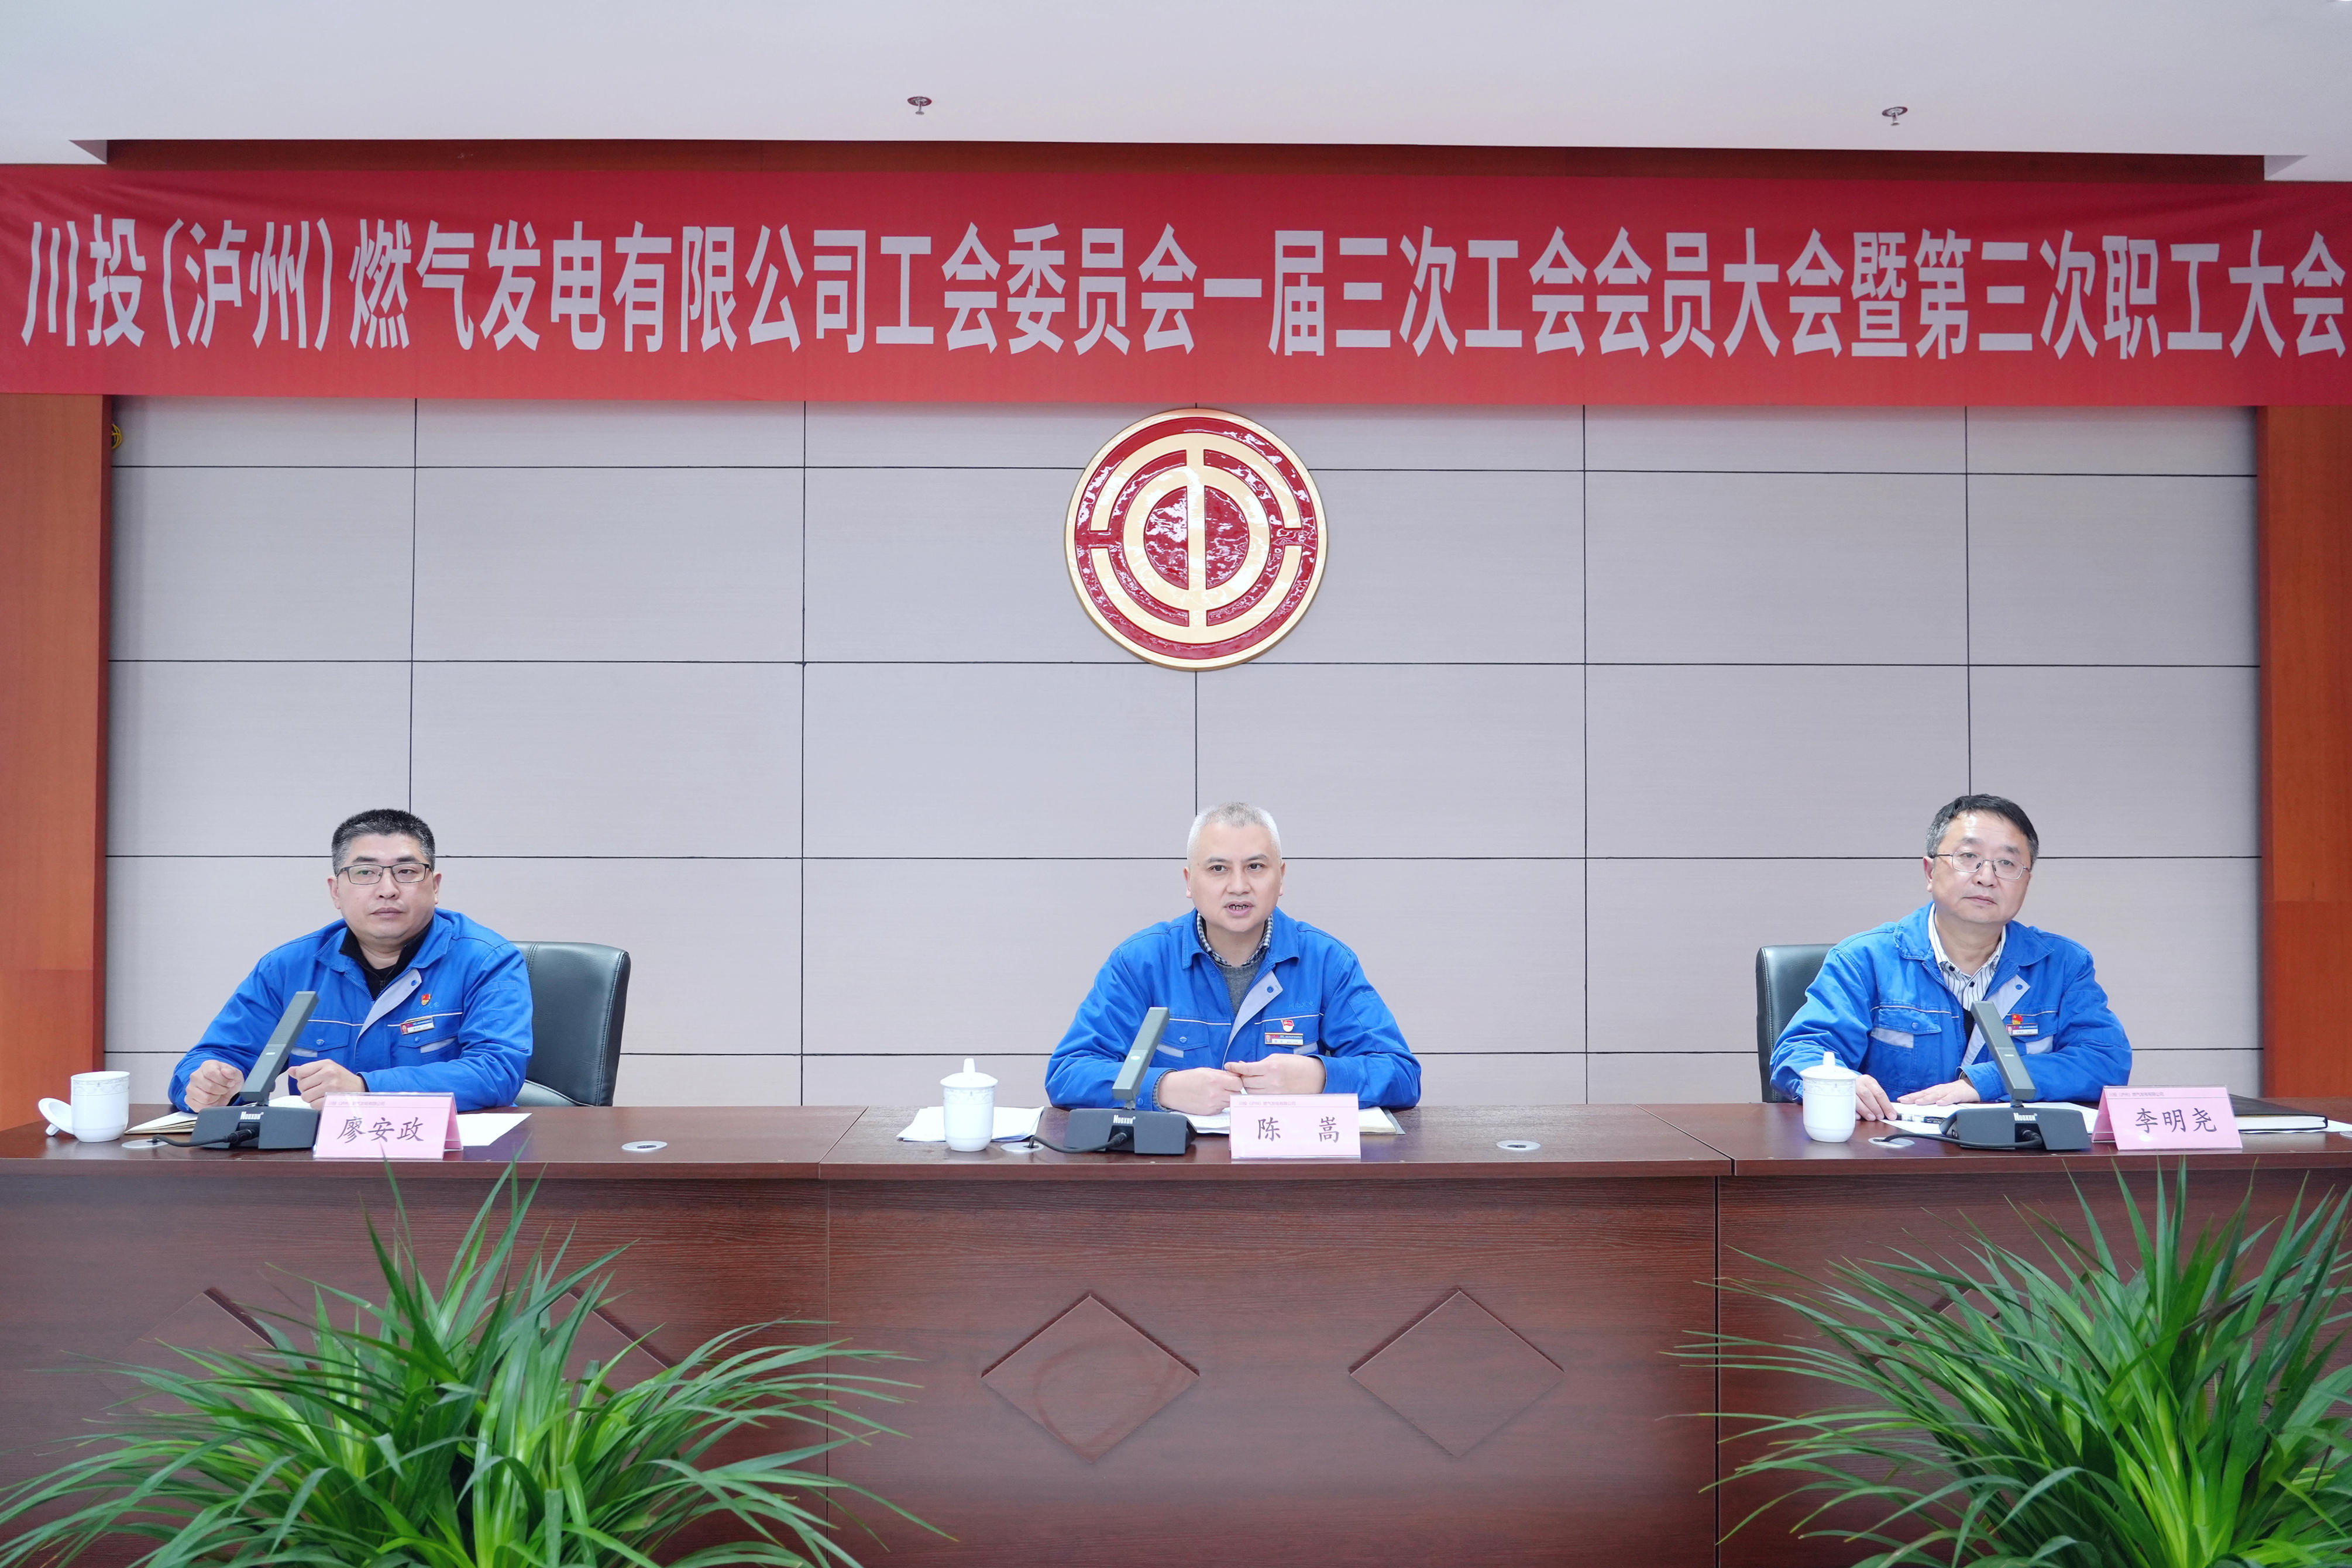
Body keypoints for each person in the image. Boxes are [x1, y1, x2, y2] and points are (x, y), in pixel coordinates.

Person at [1769, 793, 2130, 1118]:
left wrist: (1986, 1083)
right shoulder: (1865, 960)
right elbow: (1801, 1052)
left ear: (2026, 882)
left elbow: (2104, 1060)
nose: (1986, 877)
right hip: (1894, 1156)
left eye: (2007, 864)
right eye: (1969, 857)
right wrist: (1838, 1081)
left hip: (2017, 1159)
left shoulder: (2062, 965)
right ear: (1930, 872)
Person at [1047, 802, 1420, 1113]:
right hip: (1175, 1167)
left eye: (1255, 867)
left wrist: (1320, 1077)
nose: (1239, 886)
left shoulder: (1326, 963)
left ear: (1281, 877)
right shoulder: (1140, 963)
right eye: (1218, 869)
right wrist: (1162, 1088)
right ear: (1189, 881)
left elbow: (1401, 1073)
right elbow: (1069, 1073)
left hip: (1287, 1166)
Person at [169, 808, 532, 1113]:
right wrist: (205, 1085)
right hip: (323, 1161)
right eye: (365, 873)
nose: (387, 889)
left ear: (434, 886)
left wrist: (365, 1088)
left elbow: (497, 1071)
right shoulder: (289, 969)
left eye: (406, 872)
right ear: (336, 892)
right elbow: (217, 1056)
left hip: (449, 1158)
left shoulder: (486, 961)